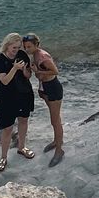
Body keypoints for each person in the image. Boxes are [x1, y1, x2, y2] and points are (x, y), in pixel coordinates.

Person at [0, 33, 36, 172]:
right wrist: (14, 68)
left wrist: (24, 70)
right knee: (7, 128)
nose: (16, 50)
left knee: (23, 120)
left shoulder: (22, 55)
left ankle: (22, 147)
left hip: (23, 93)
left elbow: (28, 76)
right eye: (13, 48)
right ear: (7, 45)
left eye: (18, 47)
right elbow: (4, 81)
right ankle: (3, 157)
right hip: (7, 97)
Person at [24, 34, 64, 167]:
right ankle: (56, 141)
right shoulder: (34, 55)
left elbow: (55, 71)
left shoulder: (42, 56)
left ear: (37, 45)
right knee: (55, 118)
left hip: (53, 88)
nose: (27, 49)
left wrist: (38, 71)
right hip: (45, 87)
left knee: (55, 121)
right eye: (25, 47)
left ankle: (59, 150)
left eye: (29, 47)